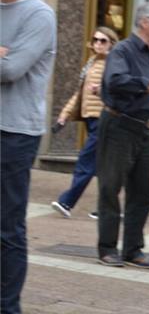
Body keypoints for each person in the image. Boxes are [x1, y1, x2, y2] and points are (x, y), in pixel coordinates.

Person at [0, 0, 56, 314]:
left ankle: (8, 311)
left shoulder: (39, 15)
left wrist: (7, 56)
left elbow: (10, 70)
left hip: (16, 132)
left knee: (7, 224)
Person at [95, 4, 149, 270]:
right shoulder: (122, 50)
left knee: (142, 192)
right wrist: (147, 86)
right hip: (119, 127)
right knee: (110, 188)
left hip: (146, 130)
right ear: (145, 23)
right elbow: (115, 80)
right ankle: (107, 248)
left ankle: (133, 249)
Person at [51, 26, 118, 218]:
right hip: (91, 118)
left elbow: (116, 90)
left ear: (111, 43)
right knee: (104, 166)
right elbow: (80, 93)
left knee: (86, 162)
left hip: (103, 119)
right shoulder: (92, 62)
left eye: (103, 41)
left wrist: (102, 90)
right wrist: (65, 113)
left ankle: (67, 202)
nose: (98, 44)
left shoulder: (113, 63)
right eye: (95, 40)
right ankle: (106, 209)